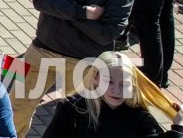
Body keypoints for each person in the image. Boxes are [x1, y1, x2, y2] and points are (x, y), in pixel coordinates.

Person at [10, 0, 135, 137]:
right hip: (40, 52)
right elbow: (41, 0)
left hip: (86, 64)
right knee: (15, 107)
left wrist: (67, 7)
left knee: (79, 118)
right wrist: (84, 12)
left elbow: (106, 34)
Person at [39, 51, 183, 138]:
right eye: (109, 82)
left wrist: (179, 127)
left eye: (124, 84)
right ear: (95, 77)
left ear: (133, 85)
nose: (116, 90)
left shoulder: (140, 119)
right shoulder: (73, 108)